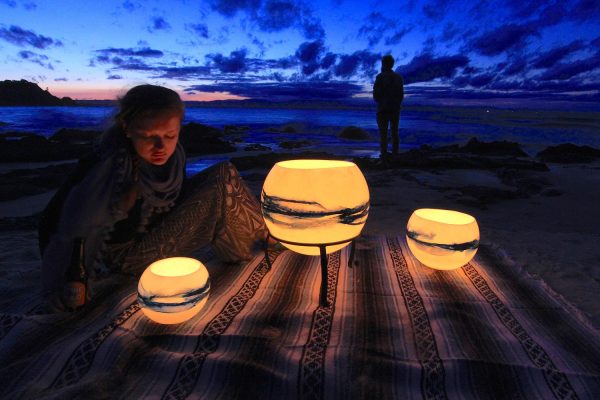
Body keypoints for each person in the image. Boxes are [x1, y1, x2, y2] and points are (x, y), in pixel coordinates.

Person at [39, 84, 268, 310]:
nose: (161, 146)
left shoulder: (173, 157)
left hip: (154, 231)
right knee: (221, 188)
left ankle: (262, 234)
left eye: (170, 135)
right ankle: (250, 246)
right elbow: (54, 221)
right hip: (125, 258)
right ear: (127, 128)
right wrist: (64, 280)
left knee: (224, 172)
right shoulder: (108, 168)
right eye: (149, 136)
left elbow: (173, 200)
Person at [373, 54, 404, 162]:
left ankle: (384, 155)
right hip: (395, 108)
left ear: (383, 64)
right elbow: (401, 95)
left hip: (383, 108)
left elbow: (375, 95)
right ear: (392, 64)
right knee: (395, 132)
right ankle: (395, 154)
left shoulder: (380, 77)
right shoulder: (398, 77)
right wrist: (396, 104)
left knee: (383, 133)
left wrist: (382, 101)